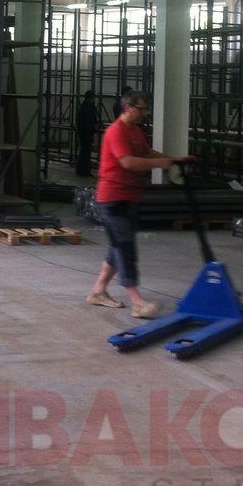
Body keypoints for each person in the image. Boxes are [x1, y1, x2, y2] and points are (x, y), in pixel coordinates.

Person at [87, 89, 192, 318]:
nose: (145, 113)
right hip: (113, 199)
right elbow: (127, 162)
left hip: (130, 197)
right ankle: (137, 302)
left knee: (117, 246)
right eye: (141, 109)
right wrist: (159, 164)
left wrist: (171, 159)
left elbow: (146, 152)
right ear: (128, 108)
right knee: (125, 247)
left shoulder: (134, 131)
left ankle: (98, 291)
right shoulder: (115, 131)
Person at [75, 90, 99, 177]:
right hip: (88, 131)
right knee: (86, 151)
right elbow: (94, 119)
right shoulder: (90, 106)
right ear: (91, 98)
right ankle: (85, 170)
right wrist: (96, 128)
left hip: (82, 131)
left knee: (83, 150)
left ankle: (80, 169)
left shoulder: (83, 106)